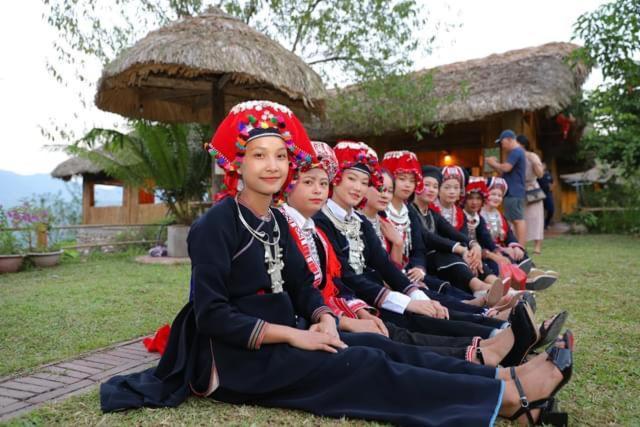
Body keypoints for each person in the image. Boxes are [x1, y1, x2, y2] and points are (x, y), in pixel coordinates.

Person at [99, 101, 573, 426]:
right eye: (258, 155)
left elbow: (305, 286)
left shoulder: (277, 222)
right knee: (362, 367)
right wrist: (299, 334)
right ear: (236, 164)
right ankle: (509, 401)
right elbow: (212, 315)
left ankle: (501, 375)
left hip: (293, 328)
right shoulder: (214, 226)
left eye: (281, 155)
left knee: (388, 349)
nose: (272, 164)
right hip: (235, 356)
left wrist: (325, 316)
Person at [486, 130, 527, 246]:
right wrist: (494, 165)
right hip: (513, 191)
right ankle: (515, 244)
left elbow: (506, 168)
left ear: (509, 139)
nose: (502, 145)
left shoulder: (516, 151)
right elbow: (504, 171)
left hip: (514, 191)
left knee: (517, 220)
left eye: (502, 142)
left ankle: (521, 246)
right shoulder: (517, 152)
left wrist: (492, 163)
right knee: (514, 219)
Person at [517, 135, 546, 254]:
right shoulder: (514, 156)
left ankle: (537, 246)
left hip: (532, 188)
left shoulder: (532, 156)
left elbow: (540, 174)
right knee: (519, 217)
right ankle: (520, 243)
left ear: (522, 144)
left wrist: (534, 162)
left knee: (536, 217)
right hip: (519, 188)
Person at [538, 163, 555, 229]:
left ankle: (546, 223)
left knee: (551, 209)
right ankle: (541, 225)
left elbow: (552, 182)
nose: (542, 167)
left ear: (545, 166)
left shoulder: (548, 174)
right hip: (539, 195)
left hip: (548, 194)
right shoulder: (537, 175)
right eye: (540, 165)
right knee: (540, 211)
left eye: (543, 165)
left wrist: (552, 187)